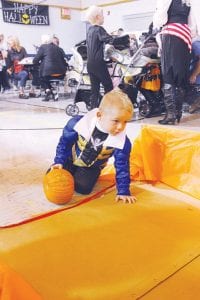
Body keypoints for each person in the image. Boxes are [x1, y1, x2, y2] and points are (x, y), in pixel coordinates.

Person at [50, 88, 136, 204]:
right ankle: (69, 169)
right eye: (116, 121)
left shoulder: (123, 142)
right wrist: (59, 160)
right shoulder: (77, 123)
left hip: (91, 167)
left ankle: (86, 175)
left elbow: (122, 166)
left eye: (125, 122)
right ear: (100, 115)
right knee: (53, 179)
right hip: (70, 159)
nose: (121, 127)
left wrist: (123, 191)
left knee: (83, 188)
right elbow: (65, 143)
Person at [153, 0, 193, 125]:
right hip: (185, 35)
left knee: (168, 74)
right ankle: (178, 113)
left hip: (171, 33)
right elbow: (193, 22)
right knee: (181, 75)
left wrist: (156, 25)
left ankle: (170, 114)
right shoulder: (189, 1)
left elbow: (160, 18)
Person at [86, 5, 114, 109]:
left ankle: (93, 109)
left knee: (95, 89)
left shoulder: (89, 30)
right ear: (98, 17)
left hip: (90, 64)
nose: (103, 17)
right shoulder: (99, 29)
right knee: (108, 86)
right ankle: (108, 109)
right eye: (102, 15)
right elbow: (109, 40)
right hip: (98, 63)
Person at [33, 34, 67, 101]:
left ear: (43, 41)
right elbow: (64, 61)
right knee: (44, 75)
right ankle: (50, 91)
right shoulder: (59, 49)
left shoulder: (43, 47)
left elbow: (35, 60)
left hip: (48, 75)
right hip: (61, 74)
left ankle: (49, 91)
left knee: (39, 75)